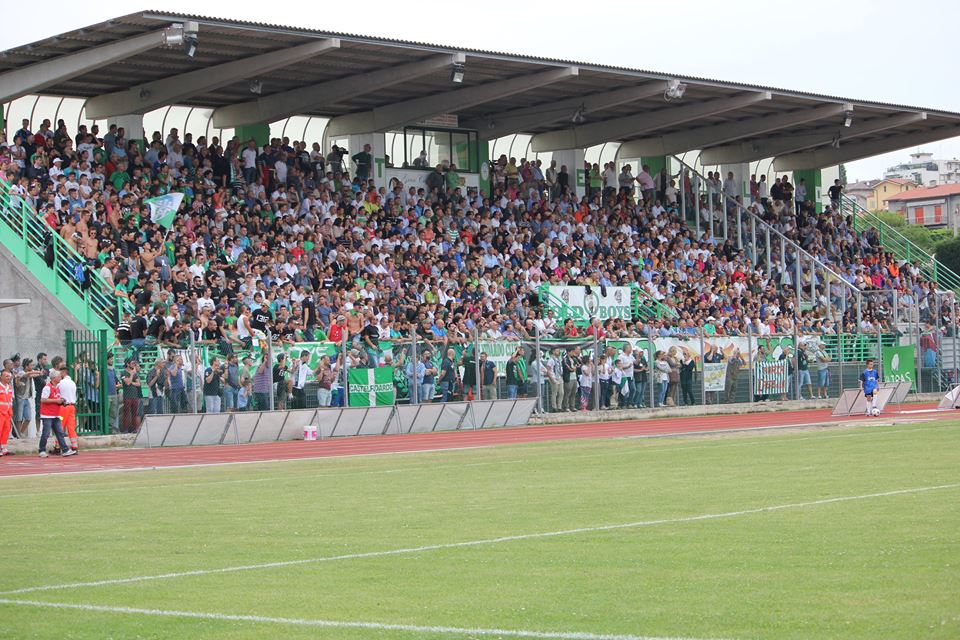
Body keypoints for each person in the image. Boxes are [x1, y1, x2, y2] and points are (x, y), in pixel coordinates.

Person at [39, 369, 74, 457]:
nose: (60, 378)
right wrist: (56, 401)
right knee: (46, 433)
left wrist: (61, 401)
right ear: (54, 378)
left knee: (60, 432)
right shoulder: (47, 387)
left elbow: (56, 399)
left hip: (56, 414)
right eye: (58, 376)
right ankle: (41, 450)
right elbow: (43, 400)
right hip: (47, 415)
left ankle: (65, 449)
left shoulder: (57, 388)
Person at [58, 366, 79, 452]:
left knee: (59, 426)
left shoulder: (61, 383)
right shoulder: (73, 383)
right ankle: (74, 446)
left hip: (63, 407)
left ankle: (57, 446)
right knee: (71, 427)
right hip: (72, 407)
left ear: (63, 373)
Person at [120, 359, 142, 433]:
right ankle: (125, 429)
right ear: (127, 364)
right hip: (127, 396)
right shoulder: (123, 373)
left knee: (134, 413)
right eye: (132, 363)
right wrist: (132, 375)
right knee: (126, 413)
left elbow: (138, 384)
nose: (133, 365)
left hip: (135, 396)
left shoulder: (135, 373)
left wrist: (131, 381)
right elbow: (127, 383)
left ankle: (134, 429)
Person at [0, 370, 14, 456]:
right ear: (1, 377)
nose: (8, 378)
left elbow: (10, 400)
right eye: (6, 376)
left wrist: (10, 410)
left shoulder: (9, 387)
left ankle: (3, 447)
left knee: (6, 429)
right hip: (0, 412)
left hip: (7, 412)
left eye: (9, 376)